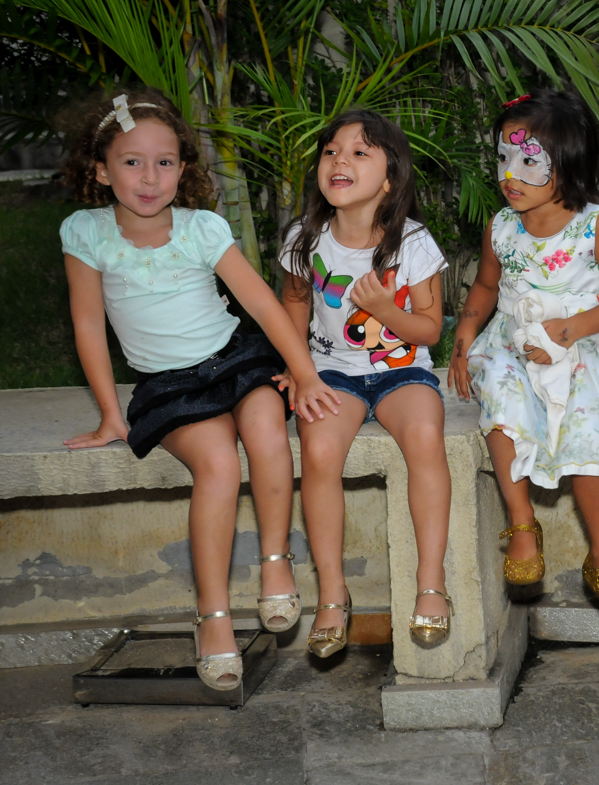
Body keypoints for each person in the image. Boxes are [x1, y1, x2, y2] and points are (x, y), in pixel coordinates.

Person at [59, 90, 340, 690]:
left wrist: (306, 373)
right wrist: (111, 414)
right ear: (101, 169)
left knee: (266, 431)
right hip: (167, 383)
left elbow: (262, 303)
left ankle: (275, 565)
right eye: (131, 161)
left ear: (183, 169)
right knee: (215, 464)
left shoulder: (200, 228)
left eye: (165, 162)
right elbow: (88, 325)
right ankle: (211, 617)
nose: (149, 176)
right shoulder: (85, 233)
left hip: (236, 360)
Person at [447, 91, 599, 622]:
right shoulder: (502, 227)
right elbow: (488, 286)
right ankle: (521, 524)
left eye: (529, 160)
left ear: (568, 165)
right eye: (503, 158)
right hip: (516, 344)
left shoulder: (594, 225)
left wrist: (570, 328)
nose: (509, 174)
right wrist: (467, 331)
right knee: (502, 400)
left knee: (589, 431)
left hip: (584, 345)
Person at [278, 110, 455, 655]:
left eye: (360, 152)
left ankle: (431, 583)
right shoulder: (305, 239)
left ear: (390, 177)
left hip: (403, 370)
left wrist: (383, 308)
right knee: (320, 451)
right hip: (332, 372)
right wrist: (296, 367)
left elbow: (428, 329)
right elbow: (293, 304)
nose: (340, 161)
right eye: (331, 151)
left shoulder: (413, 242)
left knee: (425, 438)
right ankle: (333, 593)